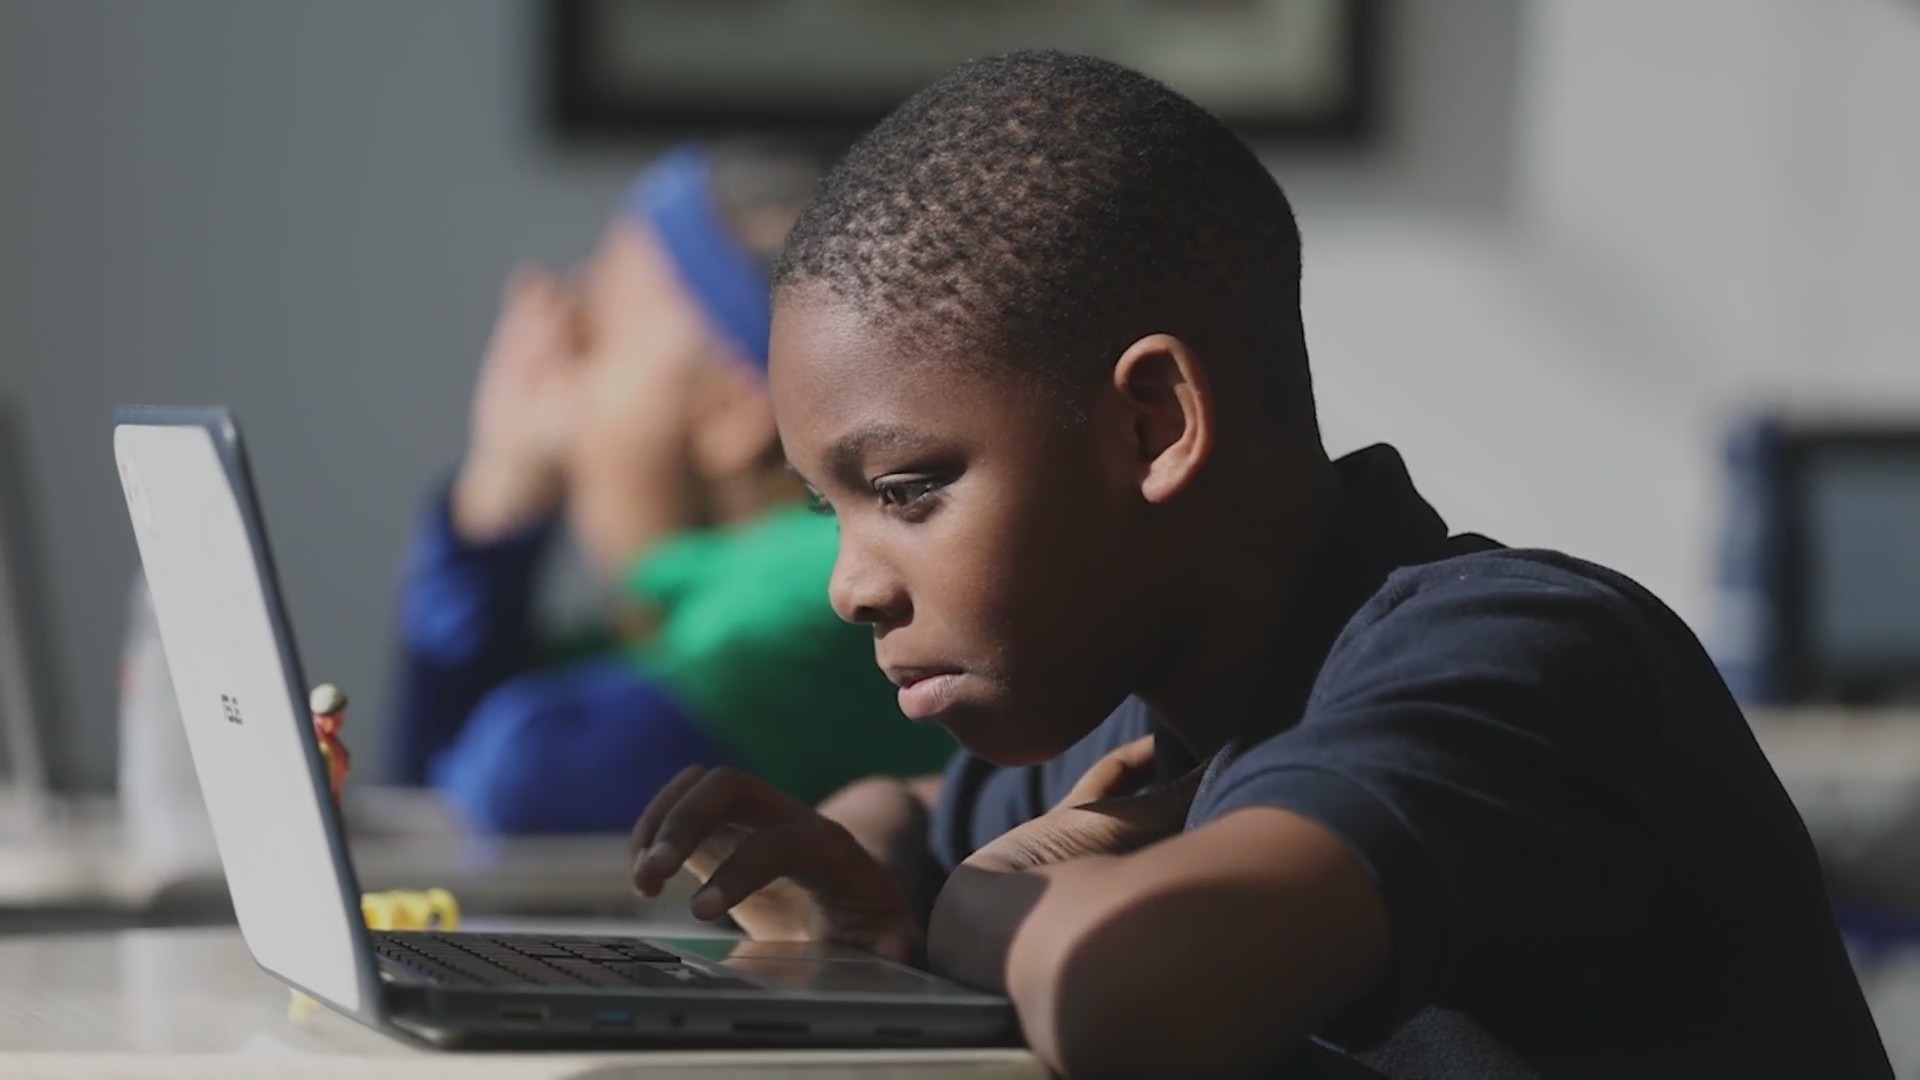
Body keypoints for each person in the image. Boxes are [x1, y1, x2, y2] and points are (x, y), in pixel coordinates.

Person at [625, 53, 1893, 1078]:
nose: (854, 584)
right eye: (831, 511)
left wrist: (972, 915)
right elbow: (906, 820)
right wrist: (871, 893)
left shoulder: (1519, 666)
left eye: (906, 491)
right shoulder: (1137, 714)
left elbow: (1132, 992)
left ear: (1154, 426)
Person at [390, 142, 953, 834]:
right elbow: (431, 816)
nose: (549, 407)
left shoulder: (821, 593)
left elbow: (531, 781)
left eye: (590, 341)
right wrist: (493, 513)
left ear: (729, 411)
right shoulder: (667, 637)